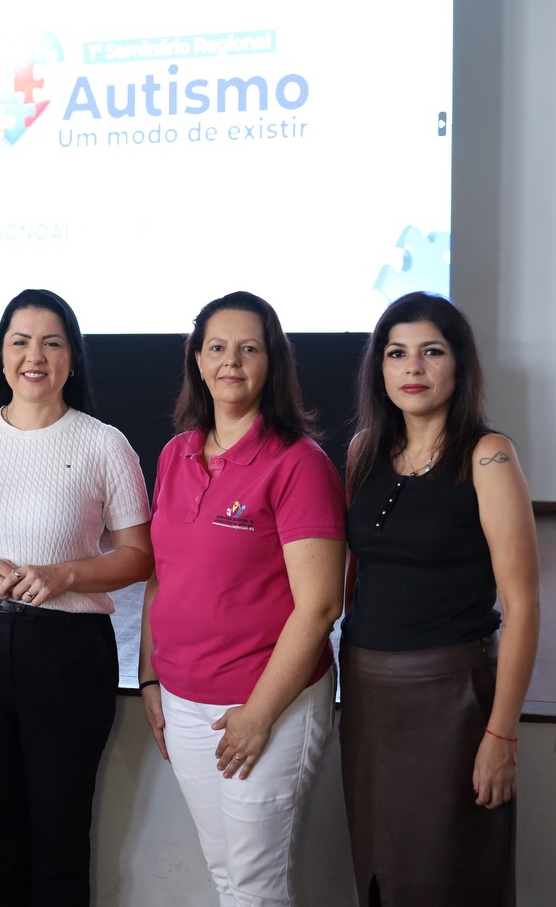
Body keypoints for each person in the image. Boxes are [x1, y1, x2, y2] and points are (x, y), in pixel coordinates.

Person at [0, 288, 152, 907]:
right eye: (20, 341)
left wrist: (67, 575)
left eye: (52, 343)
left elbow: (139, 556)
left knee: (60, 837)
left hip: (70, 652)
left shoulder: (104, 443)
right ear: (1, 356)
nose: (35, 356)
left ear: (72, 358)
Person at [138, 290, 345, 907]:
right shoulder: (175, 454)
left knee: (256, 885)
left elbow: (320, 606)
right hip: (184, 700)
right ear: (197, 361)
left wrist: (258, 714)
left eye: (249, 348)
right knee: (225, 874)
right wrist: (150, 677)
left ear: (272, 362)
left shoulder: (298, 463)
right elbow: (161, 575)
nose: (231, 361)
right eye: (218, 347)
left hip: (267, 704)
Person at [339, 292, 539, 906]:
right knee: (378, 870)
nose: (413, 368)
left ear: (459, 364)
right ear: (379, 367)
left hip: (451, 696)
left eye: (431, 352)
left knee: (451, 875)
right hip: (368, 691)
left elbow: (523, 606)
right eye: (396, 353)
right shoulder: (363, 449)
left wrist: (500, 736)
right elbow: (353, 577)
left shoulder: (488, 455)